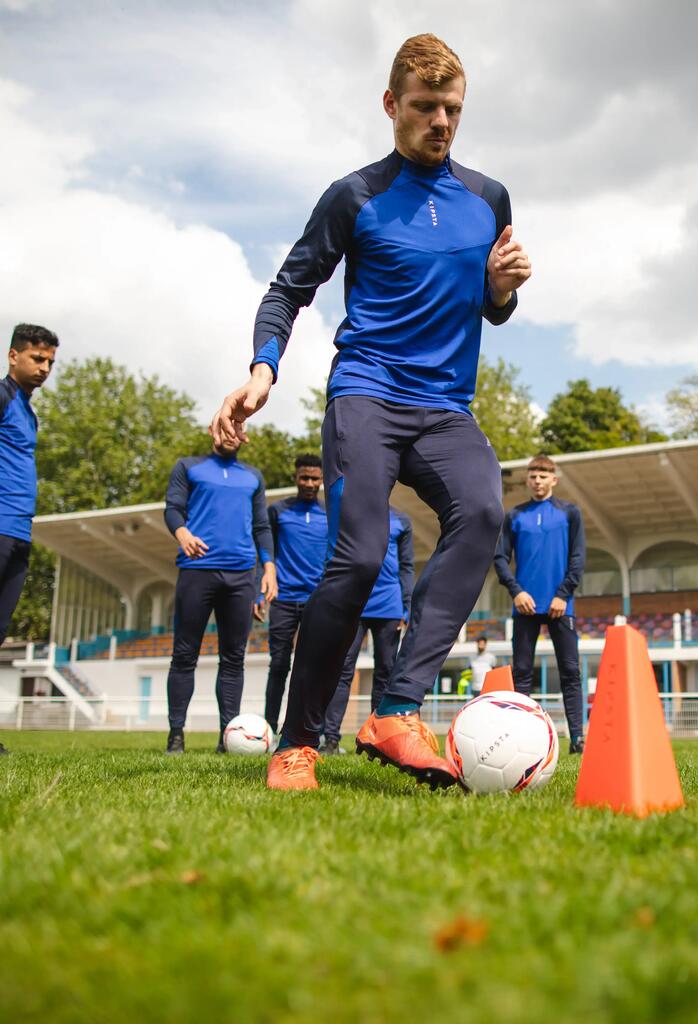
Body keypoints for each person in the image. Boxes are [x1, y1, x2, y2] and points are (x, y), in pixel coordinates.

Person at [211, 33, 531, 791]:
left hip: (445, 408)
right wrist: (263, 369)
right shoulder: (355, 195)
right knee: (356, 559)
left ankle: (396, 708)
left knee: (484, 513)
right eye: (425, 107)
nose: (441, 122)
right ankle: (297, 744)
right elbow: (289, 289)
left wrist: (504, 288)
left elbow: (491, 308)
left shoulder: (489, 199)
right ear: (392, 106)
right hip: (366, 395)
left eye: (452, 109)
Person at [163, 434, 276, 754]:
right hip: (197, 571)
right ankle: (176, 734)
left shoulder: (252, 476)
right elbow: (172, 509)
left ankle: (227, 737)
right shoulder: (188, 467)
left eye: (238, 425)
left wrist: (268, 568)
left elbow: (261, 527)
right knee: (184, 656)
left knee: (233, 659)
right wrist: (182, 532)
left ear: (244, 434)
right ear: (215, 429)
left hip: (241, 576)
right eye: (226, 424)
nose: (231, 432)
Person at [494, 454, 586, 753]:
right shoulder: (514, 516)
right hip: (525, 606)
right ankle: (523, 736)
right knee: (521, 673)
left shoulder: (570, 513)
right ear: (527, 480)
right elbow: (499, 558)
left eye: (543, 476)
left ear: (554, 479)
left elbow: (577, 558)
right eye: (532, 475)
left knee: (570, 672)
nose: (537, 480)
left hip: (561, 605)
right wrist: (516, 591)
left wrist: (563, 594)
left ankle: (577, 738)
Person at [0, 323, 59, 757]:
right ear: (13, 356)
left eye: (50, 362)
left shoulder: (28, 410)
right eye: (37, 359)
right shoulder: (2, 397)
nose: (44, 368)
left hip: (19, 532)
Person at [322, 505, 414, 754]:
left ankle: (377, 740)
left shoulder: (402, 520)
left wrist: (406, 606)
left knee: (385, 672)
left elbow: (406, 566)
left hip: (390, 606)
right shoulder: (352, 513)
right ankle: (330, 738)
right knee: (342, 671)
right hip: (354, 604)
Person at [262, 454, 327, 735]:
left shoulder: (331, 513)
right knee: (279, 665)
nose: (309, 483)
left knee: (314, 669)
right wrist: (259, 591)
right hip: (284, 599)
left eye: (315, 478)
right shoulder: (278, 512)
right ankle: (268, 729)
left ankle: (310, 730)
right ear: (295, 478)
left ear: (322, 480)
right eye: (304, 477)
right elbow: (265, 552)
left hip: (318, 600)